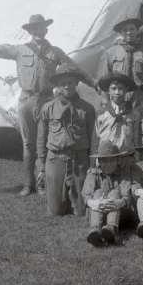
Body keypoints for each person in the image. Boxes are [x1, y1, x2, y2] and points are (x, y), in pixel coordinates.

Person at [0, 14, 98, 197]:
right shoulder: (19, 50)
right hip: (26, 101)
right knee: (28, 145)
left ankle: (44, 183)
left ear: (46, 30)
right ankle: (29, 184)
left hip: (47, 101)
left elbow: (75, 69)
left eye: (41, 28)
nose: (38, 31)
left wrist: (95, 84)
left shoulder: (55, 52)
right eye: (34, 29)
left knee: (45, 143)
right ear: (30, 31)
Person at [36, 64, 96, 217]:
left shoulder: (87, 108)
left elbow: (93, 137)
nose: (67, 86)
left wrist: (92, 165)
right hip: (56, 158)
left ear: (77, 83)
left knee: (82, 211)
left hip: (79, 159)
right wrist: (42, 166)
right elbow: (41, 138)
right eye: (62, 83)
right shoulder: (48, 108)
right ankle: (61, 199)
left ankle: (76, 200)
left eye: (70, 82)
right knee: (55, 212)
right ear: (58, 86)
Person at [82, 140, 143, 247]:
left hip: (119, 214)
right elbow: (86, 195)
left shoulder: (124, 173)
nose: (108, 164)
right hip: (97, 211)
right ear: (99, 161)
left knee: (115, 193)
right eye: (105, 161)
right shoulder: (93, 173)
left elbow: (127, 196)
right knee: (98, 192)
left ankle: (111, 229)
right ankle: (95, 229)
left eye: (112, 160)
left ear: (118, 160)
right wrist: (95, 203)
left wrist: (117, 203)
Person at [103, 17, 143, 108]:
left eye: (132, 29)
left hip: (139, 98)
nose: (128, 32)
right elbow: (106, 77)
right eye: (125, 30)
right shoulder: (111, 52)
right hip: (118, 96)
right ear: (121, 33)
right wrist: (105, 99)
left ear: (137, 30)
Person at [92, 71, 141, 169]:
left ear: (127, 89)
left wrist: (137, 162)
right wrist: (92, 165)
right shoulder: (101, 114)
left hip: (126, 160)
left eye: (120, 88)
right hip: (106, 161)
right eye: (113, 89)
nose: (117, 92)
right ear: (108, 91)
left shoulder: (134, 114)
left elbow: (136, 141)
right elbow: (95, 140)